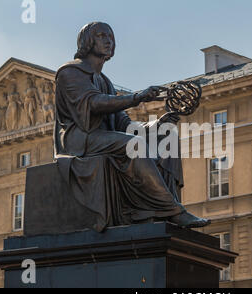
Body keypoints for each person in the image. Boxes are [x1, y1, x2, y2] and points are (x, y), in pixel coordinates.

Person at [55, 22, 210, 232]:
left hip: (104, 139)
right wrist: (136, 98)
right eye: (101, 35)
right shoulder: (70, 72)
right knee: (133, 145)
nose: (108, 40)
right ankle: (174, 211)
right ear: (87, 41)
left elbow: (125, 124)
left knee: (168, 137)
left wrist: (158, 124)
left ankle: (155, 212)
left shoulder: (105, 81)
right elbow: (93, 103)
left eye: (111, 36)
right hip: (80, 140)